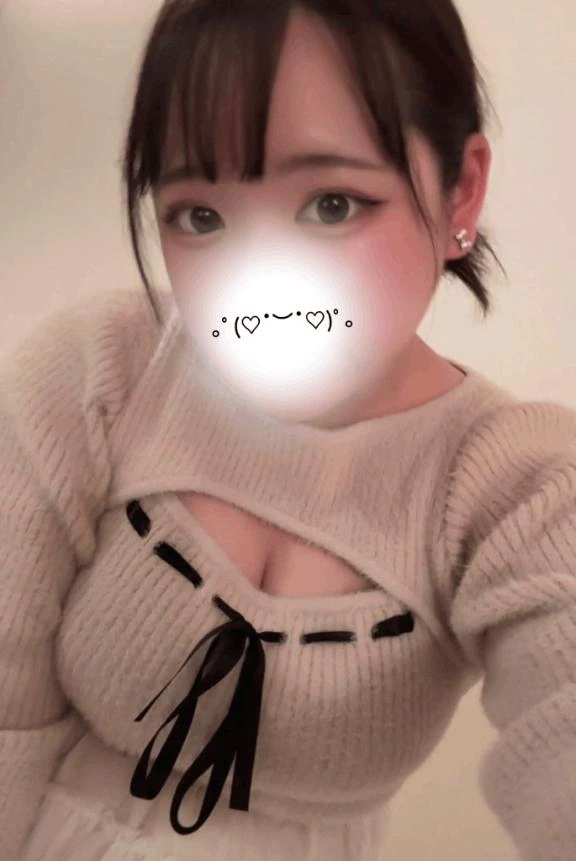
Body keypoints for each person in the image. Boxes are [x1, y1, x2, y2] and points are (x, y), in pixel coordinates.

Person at [1, 1, 575, 859]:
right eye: (200, 216)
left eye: (332, 204)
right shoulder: (103, 371)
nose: (259, 284)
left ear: (461, 189)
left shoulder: (516, 482)